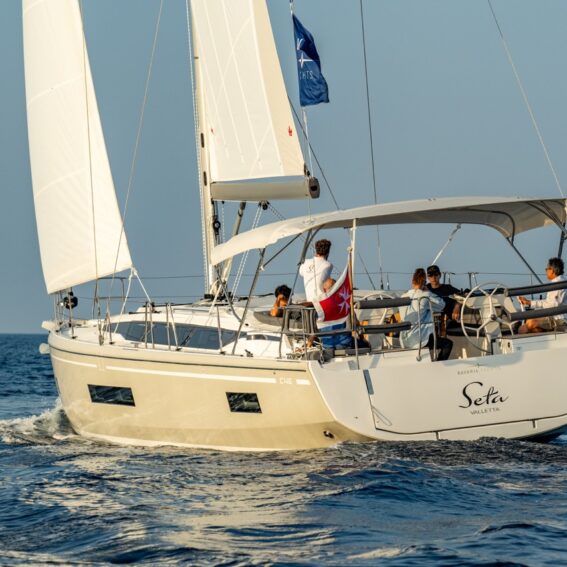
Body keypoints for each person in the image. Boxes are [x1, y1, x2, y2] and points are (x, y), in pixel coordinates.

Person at [400, 268, 453, 361]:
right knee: (447, 344)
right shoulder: (425, 296)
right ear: (424, 283)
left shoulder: (403, 297)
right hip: (419, 341)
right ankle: (438, 366)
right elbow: (442, 305)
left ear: (412, 281)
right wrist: (428, 291)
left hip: (404, 341)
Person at [518, 257, 567, 334]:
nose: (546, 271)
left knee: (525, 327)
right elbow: (550, 303)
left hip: (559, 319)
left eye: (547, 269)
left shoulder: (558, 284)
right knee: (533, 326)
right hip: (555, 317)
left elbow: (552, 305)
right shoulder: (562, 280)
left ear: (552, 270)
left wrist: (531, 304)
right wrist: (529, 302)